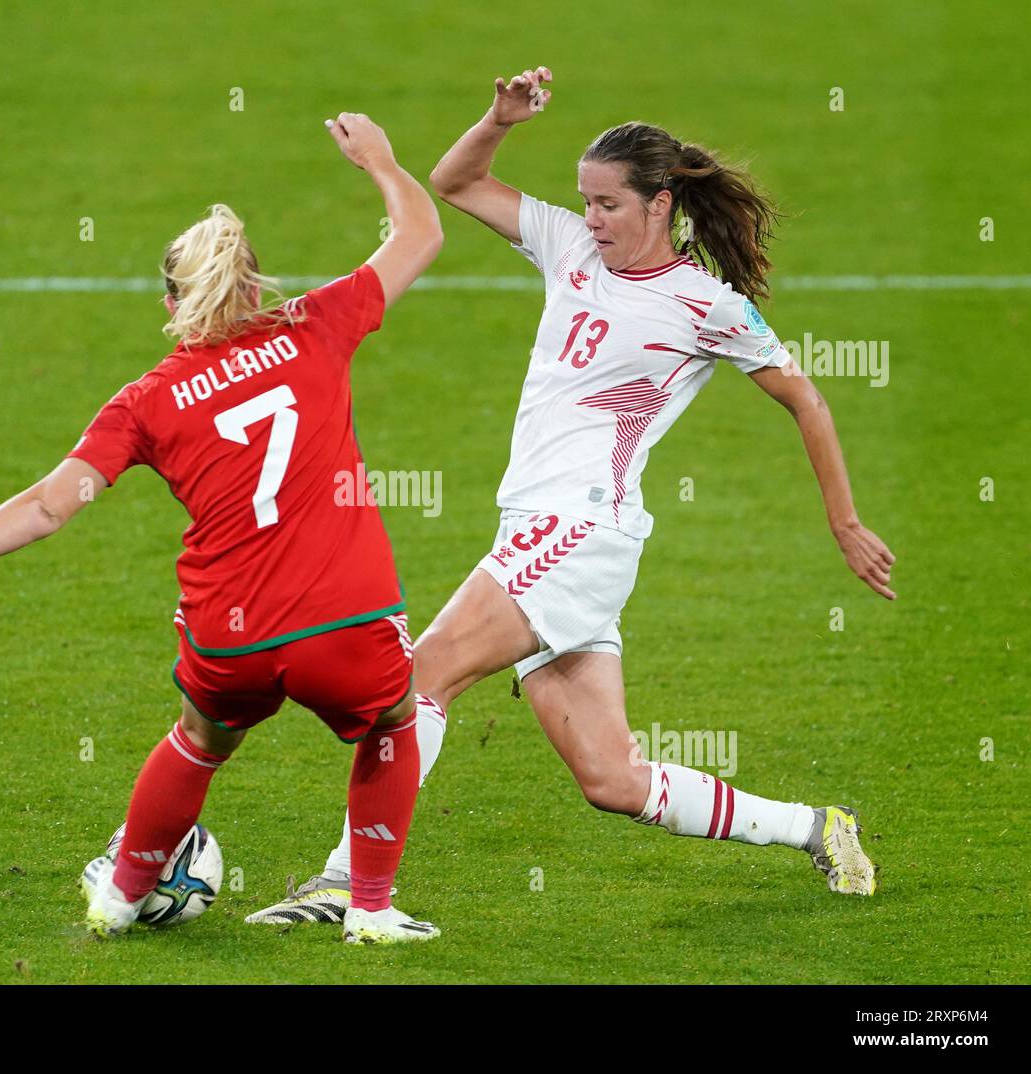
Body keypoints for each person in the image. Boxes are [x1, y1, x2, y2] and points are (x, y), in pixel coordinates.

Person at [247, 67, 893, 925]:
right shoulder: (570, 247)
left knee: (418, 679)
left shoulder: (706, 307)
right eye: (584, 201)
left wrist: (843, 520)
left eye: (609, 205)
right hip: (552, 535)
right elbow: (456, 183)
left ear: (662, 205)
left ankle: (345, 884)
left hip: (579, 531)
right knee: (612, 779)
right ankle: (817, 827)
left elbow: (804, 396)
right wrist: (499, 118)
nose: (590, 219)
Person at [0, 112, 445, 945]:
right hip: (344, 619)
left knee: (201, 739)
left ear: (170, 303)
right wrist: (379, 161)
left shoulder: (145, 402)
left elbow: (51, 506)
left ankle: (119, 900)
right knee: (391, 724)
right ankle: (373, 912)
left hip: (228, 633)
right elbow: (422, 231)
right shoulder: (316, 325)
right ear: (256, 284)